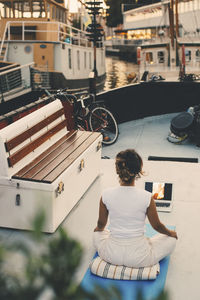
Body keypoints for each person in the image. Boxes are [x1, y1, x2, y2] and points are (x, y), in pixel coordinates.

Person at [93, 149, 177, 268]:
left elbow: (101, 224)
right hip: (139, 258)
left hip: (112, 255)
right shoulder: (147, 197)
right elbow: (157, 226)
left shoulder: (106, 194)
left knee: (97, 234)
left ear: (118, 170)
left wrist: (98, 230)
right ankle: (147, 243)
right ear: (138, 170)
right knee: (171, 239)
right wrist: (171, 233)